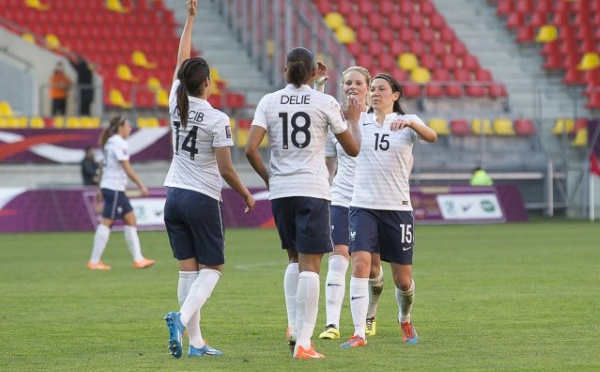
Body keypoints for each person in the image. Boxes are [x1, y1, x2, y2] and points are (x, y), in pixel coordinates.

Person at [245, 47, 361, 359]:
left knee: (293, 259)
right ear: (312, 72)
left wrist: (271, 180)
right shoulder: (325, 102)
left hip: (282, 191)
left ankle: (295, 328)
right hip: (312, 188)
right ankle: (304, 344)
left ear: (285, 71)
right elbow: (351, 149)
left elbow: (250, 148)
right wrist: (353, 120)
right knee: (312, 265)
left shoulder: (269, 101)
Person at [163, 0, 255, 359]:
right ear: (207, 83)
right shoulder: (218, 119)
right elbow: (226, 169)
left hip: (173, 196)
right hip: (201, 197)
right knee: (212, 269)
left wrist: (189, 20)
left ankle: (197, 344)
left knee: (189, 273)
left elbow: (179, 60)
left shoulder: (175, 100)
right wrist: (247, 193)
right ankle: (182, 320)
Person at [340, 73, 437, 349]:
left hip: (397, 209)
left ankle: (405, 319)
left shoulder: (408, 122)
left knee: (403, 280)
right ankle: (358, 332)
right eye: (372, 89)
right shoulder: (361, 121)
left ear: (395, 95)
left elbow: (433, 136)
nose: (375, 93)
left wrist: (411, 123)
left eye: (381, 88)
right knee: (360, 264)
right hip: (363, 206)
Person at [318, 66, 385, 340]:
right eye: (347, 83)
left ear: (368, 88)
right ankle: (331, 324)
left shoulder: (380, 121)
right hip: (342, 198)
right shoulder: (337, 121)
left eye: (358, 82)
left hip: (372, 202)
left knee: (373, 268)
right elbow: (329, 163)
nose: (352, 87)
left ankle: (370, 313)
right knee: (338, 258)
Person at [86, 115, 155, 271]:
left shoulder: (110, 143)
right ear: (120, 127)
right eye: (128, 125)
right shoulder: (119, 143)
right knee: (107, 221)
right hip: (114, 188)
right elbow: (127, 167)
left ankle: (139, 259)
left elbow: (104, 166)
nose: (130, 129)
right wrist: (141, 185)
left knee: (130, 219)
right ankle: (94, 261)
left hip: (112, 188)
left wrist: (99, 188)